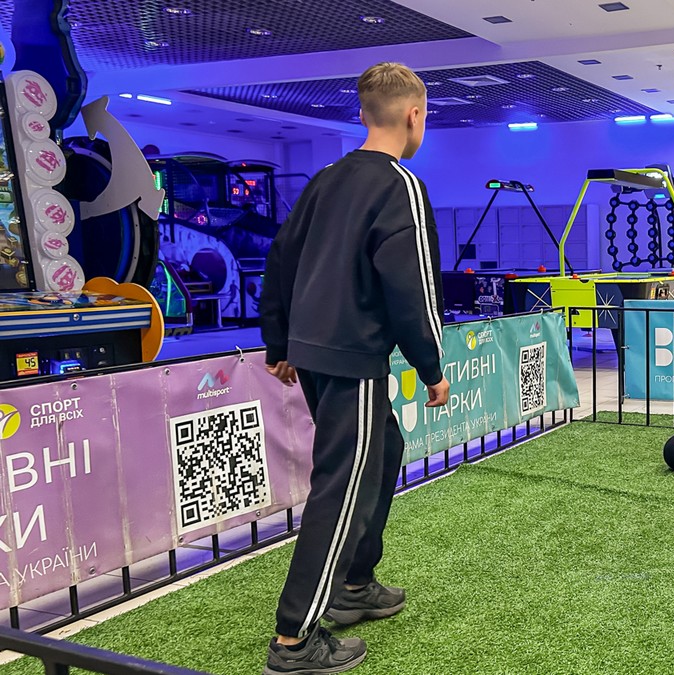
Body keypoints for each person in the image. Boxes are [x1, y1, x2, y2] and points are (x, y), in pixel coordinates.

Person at [258, 62, 449, 674]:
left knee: (383, 451)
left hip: (316, 355)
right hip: (352, 357)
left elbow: (280, 259)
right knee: (342, 486)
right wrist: (431, 365)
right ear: (415, 116)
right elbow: (412, 287)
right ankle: (294, 639)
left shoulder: (324, 180)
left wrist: (278, 342)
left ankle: (354, 583)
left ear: (364, 114)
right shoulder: (400, 186)